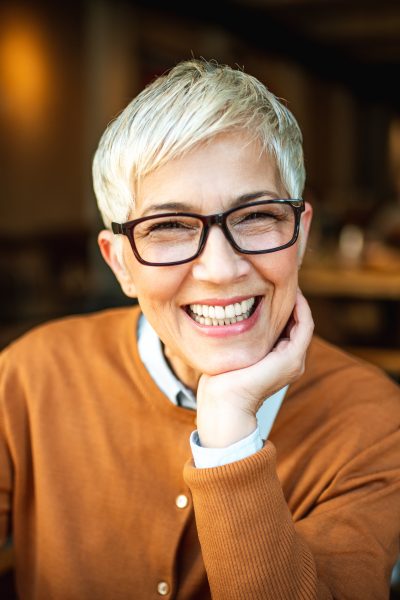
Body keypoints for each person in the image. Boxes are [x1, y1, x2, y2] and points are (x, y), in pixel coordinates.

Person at [1, 59, 399, 600]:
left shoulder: (377, 421)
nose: (221, 268)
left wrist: (230, 431)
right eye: (168, 227)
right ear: (119, 263)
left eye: (257, 216)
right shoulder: (29, 376)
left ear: (300, 235)